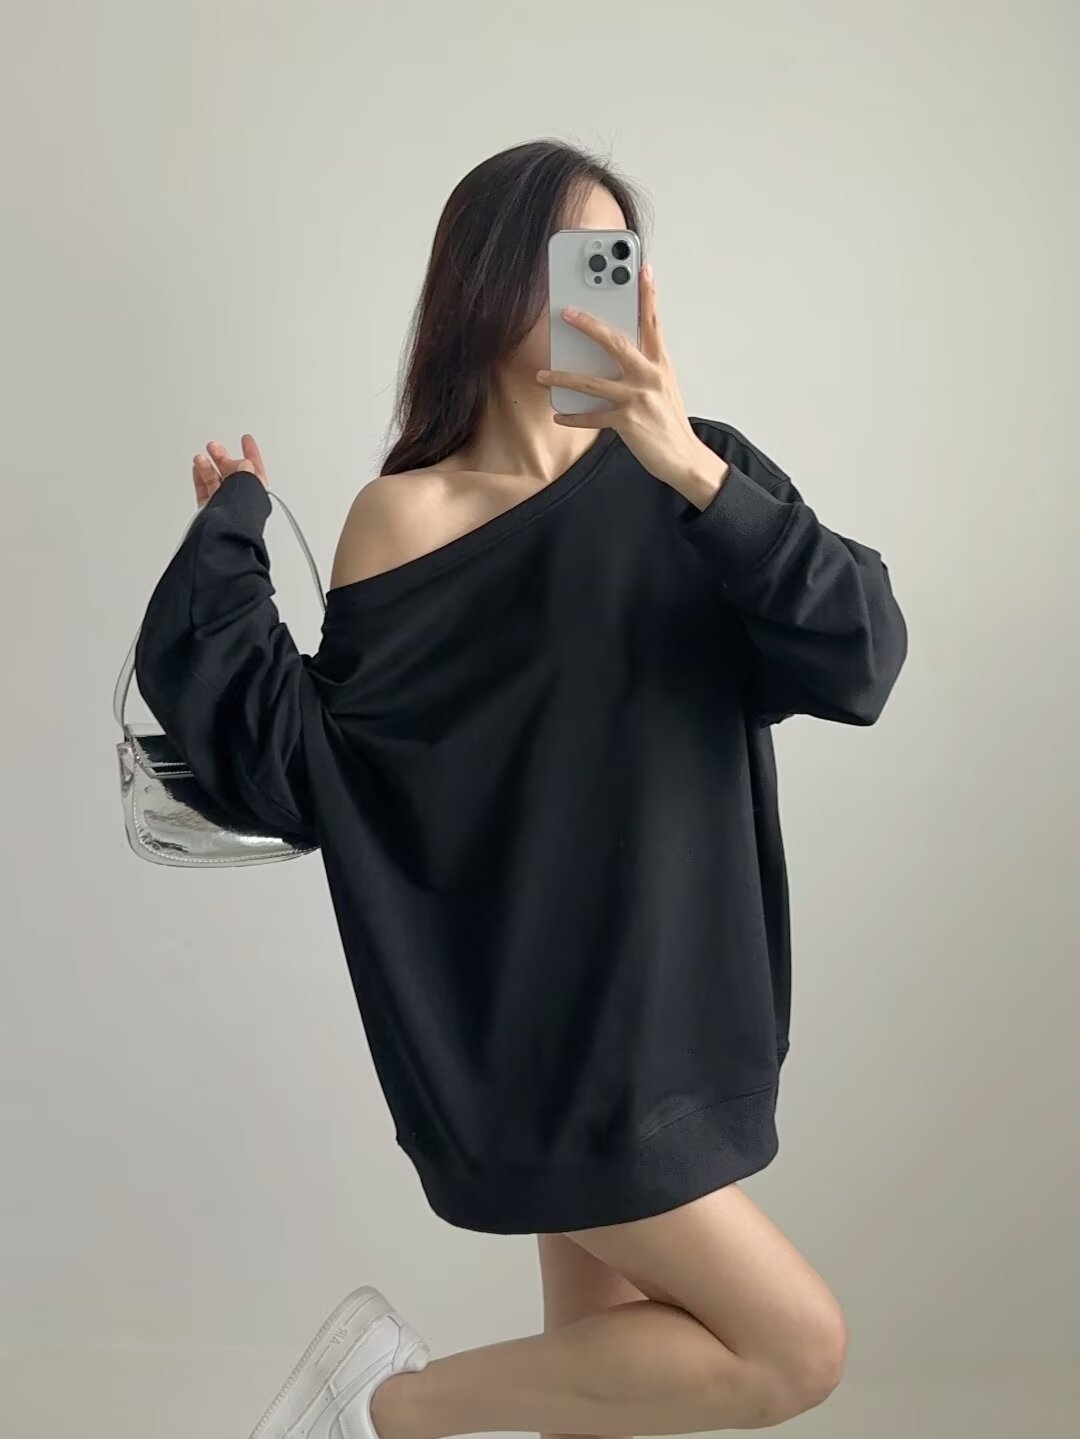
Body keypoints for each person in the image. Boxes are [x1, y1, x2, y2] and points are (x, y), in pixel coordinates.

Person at [133, 139, 907, 1438]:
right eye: (565, 257)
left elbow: (862, 656)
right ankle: (390, 1407)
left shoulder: (701, 478)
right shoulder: (407, 517)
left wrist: (687, 467)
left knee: (596, 1394)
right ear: (487, 281)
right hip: (537, 1036)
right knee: (794, 1348)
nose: (595, 288)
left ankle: (389, 1406)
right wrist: (232, 547)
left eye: (612, 259)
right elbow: (315, 770)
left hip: (677, 1010)